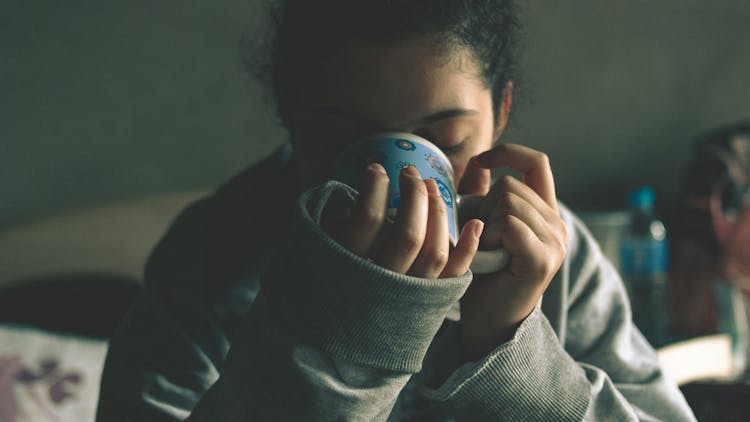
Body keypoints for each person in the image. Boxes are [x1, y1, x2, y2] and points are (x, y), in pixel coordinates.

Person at [96, 1, 696, 420]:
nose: (403, 189)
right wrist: (348, 336)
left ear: (502, 110)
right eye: (342, 142)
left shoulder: (544, 256)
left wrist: (508, 350)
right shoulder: (211, 256)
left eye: (447, 142)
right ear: (290, 113)